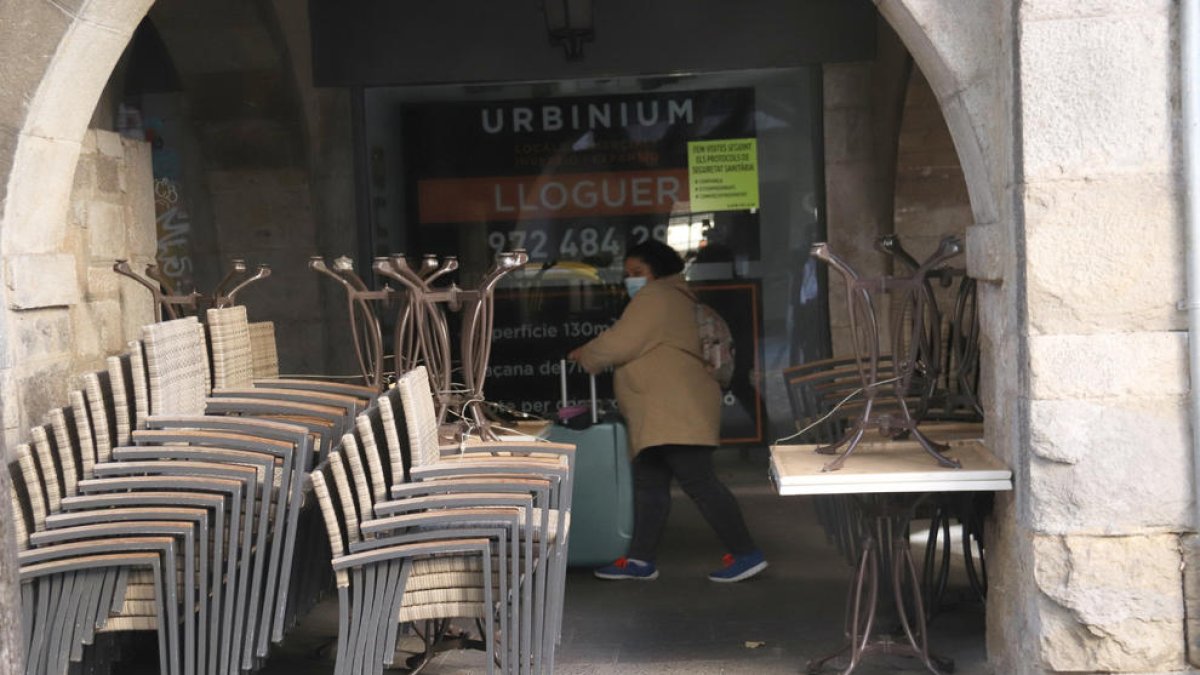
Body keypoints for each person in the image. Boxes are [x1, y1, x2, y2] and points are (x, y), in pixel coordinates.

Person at [567, 239, 767, 583]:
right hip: (663, 413)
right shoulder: (674, 297)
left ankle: (747, 553)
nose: (631, 279)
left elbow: (621, 342)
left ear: (656, 271)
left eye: (638, 272)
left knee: (699, 482)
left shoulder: (656, 297)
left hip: (674, 412)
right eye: (627, 274)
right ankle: (641, 559)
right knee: (650, 483)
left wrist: (586, 354)